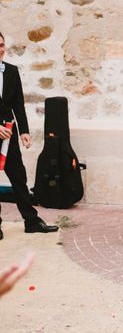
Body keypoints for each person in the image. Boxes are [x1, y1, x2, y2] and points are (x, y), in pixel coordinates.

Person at [0, 31, 58, 240]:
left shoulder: (12, 71)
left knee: (18, 177)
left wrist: (23, 131)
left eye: (2, 45)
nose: (0, 49)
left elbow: (17, 104)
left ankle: (31, 222)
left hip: (9, 136)